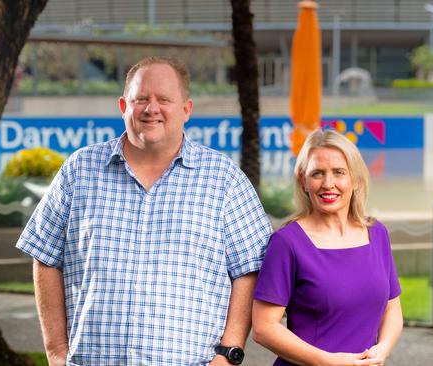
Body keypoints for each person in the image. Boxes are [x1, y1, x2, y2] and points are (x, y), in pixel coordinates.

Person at [16, 56, 272, 365]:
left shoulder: (224, 180)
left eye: (164, 99)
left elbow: (250, 269)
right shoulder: (80, 170)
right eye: (141, 99)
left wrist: (227, 355)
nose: (151, 109)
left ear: (186, 109)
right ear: (124, 107)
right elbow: (44, 256)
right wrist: (57, 352)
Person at [251, 129, 403, 366]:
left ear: (356, 178)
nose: (328, 184)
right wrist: (327, 362)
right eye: (317, 173)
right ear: (303, 180)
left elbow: (392, 309)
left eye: (339, 173)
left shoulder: (377, 234)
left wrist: (381, 350)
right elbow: (264, 327)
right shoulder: (287, 243)